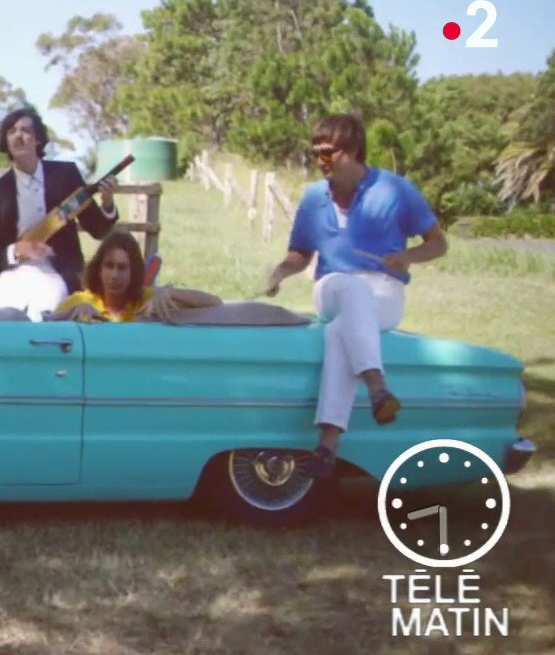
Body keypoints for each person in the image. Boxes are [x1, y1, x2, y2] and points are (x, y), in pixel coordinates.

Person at [264, 113, 448, 479]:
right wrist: (280, 272)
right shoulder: (313, 198)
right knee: (350, 289)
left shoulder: (396, 189)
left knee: (339, 332)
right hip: (333, 286)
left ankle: (328, 442)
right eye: (315, 151)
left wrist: (407, 256)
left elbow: (438, 243)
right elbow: (300, 252)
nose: (320, 159)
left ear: (352, 151)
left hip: (385, 292)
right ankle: (377, 386)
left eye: (328, 151)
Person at [0, 106, 118, 321]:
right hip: (11, 275)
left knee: (45, 320)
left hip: (56, 274)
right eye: (11, 131)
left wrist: (107, 202)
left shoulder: (66, 176)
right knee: (1, 320)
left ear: (38, 139)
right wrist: (17, 250)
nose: (18, 136)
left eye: (25, 130)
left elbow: (98, 230)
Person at [54, 231, 221, 323]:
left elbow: (214, 302)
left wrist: (170, 294)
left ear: (133, 272)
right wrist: (72, 312)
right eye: (109, 266)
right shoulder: (82, 301)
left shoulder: (146, 299)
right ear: (99, 269)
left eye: (122, 268)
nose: (114, 275)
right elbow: (46, 323)